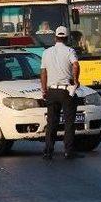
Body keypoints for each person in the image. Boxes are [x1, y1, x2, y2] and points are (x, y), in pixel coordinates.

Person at [41, 26, 82, 160]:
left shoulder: (46, 52)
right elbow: (75, 65)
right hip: (66, 91)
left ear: (55, 38)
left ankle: (48, 151)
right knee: (69, 122)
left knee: (52, 122)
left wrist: (44, 90)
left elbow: (43, 72)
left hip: (52, 91)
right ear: (67, 38)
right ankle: (68, 151)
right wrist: (75, 80)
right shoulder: (70, 50)